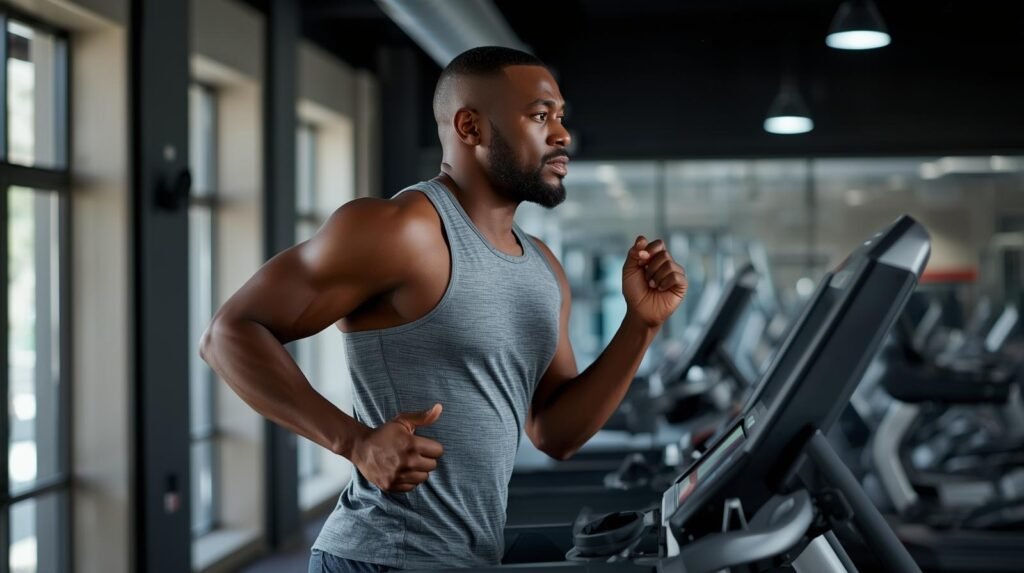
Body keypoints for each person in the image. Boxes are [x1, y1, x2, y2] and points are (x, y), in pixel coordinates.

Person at [199, 46, 687, 571]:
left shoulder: (543, 268)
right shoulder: (400, 231)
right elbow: (228, 334)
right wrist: (356, 442)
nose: (562, 135)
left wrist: (641, 326)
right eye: (540, 116)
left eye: (561, 117)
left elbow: (555, 432)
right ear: (470, 127)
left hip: (471, 555)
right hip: (381, 558)